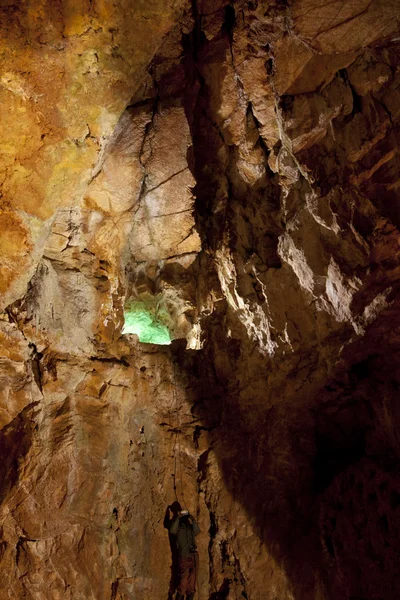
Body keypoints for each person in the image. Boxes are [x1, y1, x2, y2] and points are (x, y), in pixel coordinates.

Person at [164, 501, 200, 600]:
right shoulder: (175, 524)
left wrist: (191, 517)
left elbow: (197, 531)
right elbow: (172, 530)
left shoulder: (189, 525)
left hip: (193, 556)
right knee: (183, 580)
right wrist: (178, 517)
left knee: (192, 582)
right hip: (183, 556)